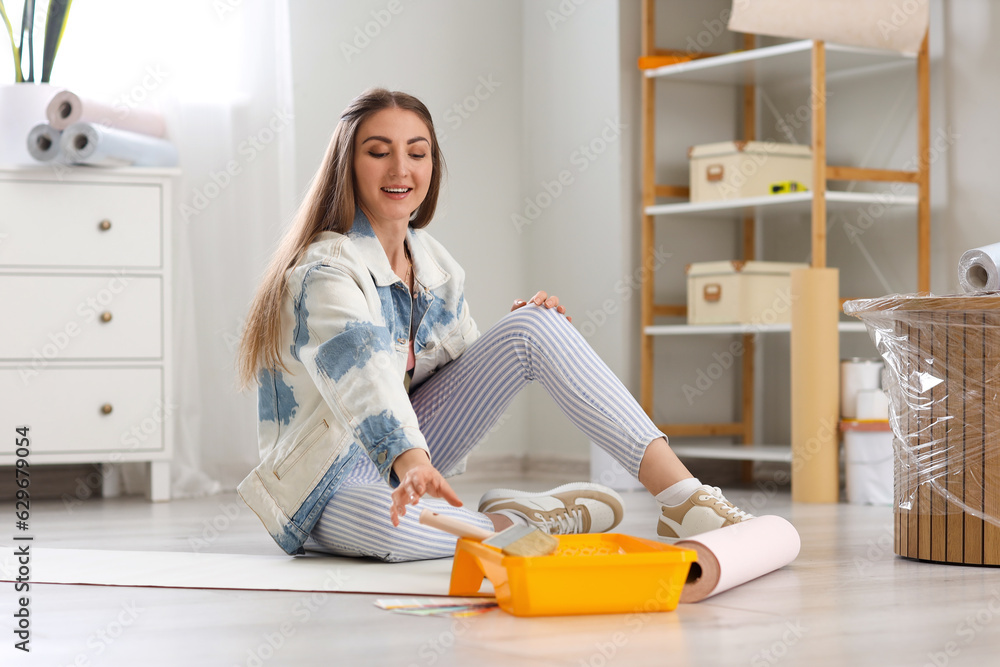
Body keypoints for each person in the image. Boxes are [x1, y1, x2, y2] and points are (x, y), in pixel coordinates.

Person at [235, 88, 752, 562]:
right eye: (378, 152)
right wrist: (411, 463)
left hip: (409, 456)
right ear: (348, 164)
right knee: (392, 528)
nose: (401, 169)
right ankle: (524, 520)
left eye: (417, 153)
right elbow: (364, 377)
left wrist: (524, 332)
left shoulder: (436, 267)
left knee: (535, 324)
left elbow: (463, 381)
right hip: (325, 484)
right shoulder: (325, 270)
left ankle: (685, 499)